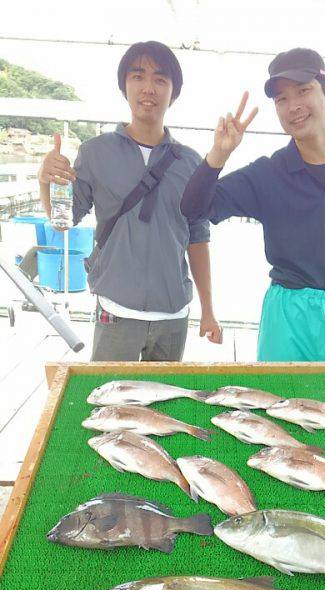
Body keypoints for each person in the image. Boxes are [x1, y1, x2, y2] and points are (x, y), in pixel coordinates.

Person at [181, 47, 325, 362]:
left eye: (303, 91)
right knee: (277, 401)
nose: (293, 106)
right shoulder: (269, 173)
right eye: (281, 99)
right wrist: (219, 154)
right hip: (286, 312)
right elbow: (194, 208)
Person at [38, 40, 222, 362]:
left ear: (173, 93)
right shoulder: (95, 152)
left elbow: (198, 237)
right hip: (115, 311)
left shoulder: (192, 163)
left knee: (163, 407)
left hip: (173, 315)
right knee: (110, 406)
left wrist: (208, 310)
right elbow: (62, 221)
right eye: (138, 76)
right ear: (124, 86)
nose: (148, 87)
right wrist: (45, 181)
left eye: (160, 79)